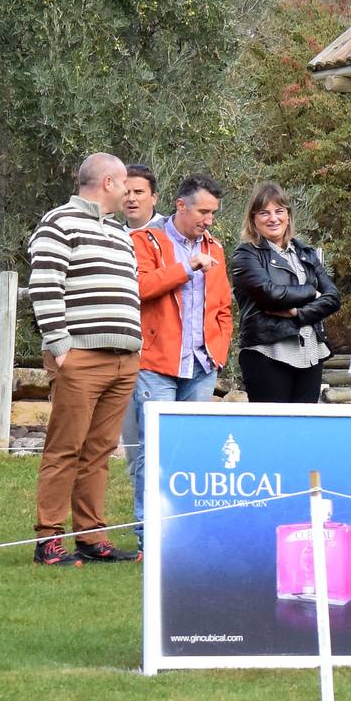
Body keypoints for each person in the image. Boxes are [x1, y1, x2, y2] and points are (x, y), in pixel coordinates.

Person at [27, 153, 145, 565]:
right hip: (81, 358)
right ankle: (48, 539)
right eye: (125, 184)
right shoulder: (59, 222)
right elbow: (44, 285)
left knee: (98, 452)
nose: (129, 192)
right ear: (108, 182)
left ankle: (91, 536)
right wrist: (61, 348)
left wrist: (136, 345)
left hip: (124, 361)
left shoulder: (119, 233)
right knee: (65, 448)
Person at [124, 173, 231, 539]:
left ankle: (184, 532)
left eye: (213, 213)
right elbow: (139, 288)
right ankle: (147, 535)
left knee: (190, 451)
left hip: (201, 366)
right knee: (153, 452)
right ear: (180, 205)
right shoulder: (145, 241)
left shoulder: (215, 247)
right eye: (203, 211)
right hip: (156, 365)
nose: (208, 220)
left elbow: (223, 306)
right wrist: (187, 267)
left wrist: (220, 348)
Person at [228, 182, 341, 404]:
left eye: (279, 211)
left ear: (288, 215)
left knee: (303, 431)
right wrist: (311, 291)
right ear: (253, 218)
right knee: (271, 431)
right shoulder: (245, 255)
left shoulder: (305, 253)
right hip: (268, 353)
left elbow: (333, 298)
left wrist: (298, 314)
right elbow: (271, 294)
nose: (273, 218)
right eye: (264, 213)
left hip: (310, 353)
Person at [119, 164, 161, 231]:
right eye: (126, 193)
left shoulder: (169, 232)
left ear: (154, 198)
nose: (131, 199)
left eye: (138, 192)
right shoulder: (116, 235)